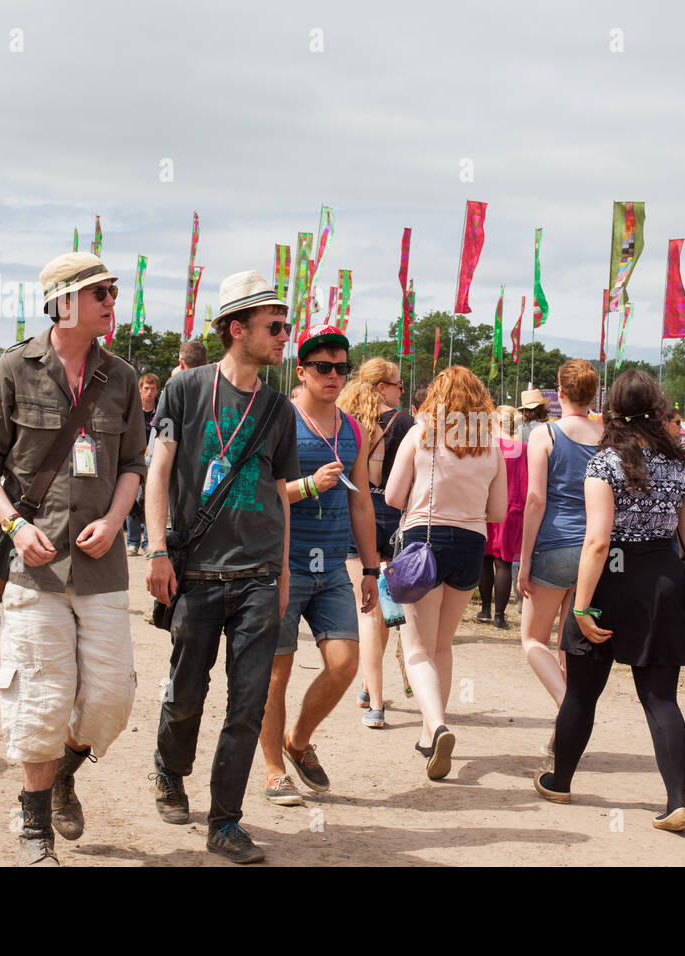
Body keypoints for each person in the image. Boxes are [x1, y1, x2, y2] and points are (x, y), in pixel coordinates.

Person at [0, 251, 147, 866]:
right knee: (40, 699)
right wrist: (15, 526)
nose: (111, 303)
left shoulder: (121, 376)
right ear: (63, 302)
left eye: (113, 292)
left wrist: (116, 518)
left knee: (109, 703)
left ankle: (67, 771)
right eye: (100, 293)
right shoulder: (13, 368)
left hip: (103, 568)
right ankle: (35, 821)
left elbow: (132, 466)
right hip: (32, 566)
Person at [147, 270, 295, 864]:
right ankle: (168, 768)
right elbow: (158, 472)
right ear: (238, 329)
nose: (285, 336)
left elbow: (281, 494)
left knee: (248, 702)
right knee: (186, 693)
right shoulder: (184, 390)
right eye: (274, 327)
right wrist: (156, 549)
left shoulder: (277, 407)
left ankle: (226, 822)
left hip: (258, 575)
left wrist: (282, 576)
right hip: (197, 574)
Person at [533, 369, 685, 832]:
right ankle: (676, 801)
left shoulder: (605, 463)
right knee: (661, 699)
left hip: (610, 580)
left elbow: (598, 541)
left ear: (613, 412)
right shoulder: (683, 464)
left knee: (583, 694)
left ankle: (560, 780)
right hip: (661, 581)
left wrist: (581, 606)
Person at [258, 324, 379, 807]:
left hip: (331, 565)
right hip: (281, 562)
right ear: (303, 371)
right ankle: (272, 771)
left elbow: (362, 504)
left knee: (346, 664)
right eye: (323, 368)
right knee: (275, 674)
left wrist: (370, 570)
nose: (334, 376)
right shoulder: (278, 419)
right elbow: (260, 492)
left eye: (341, 369)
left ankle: (298, 740)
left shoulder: (353, 428)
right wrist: (308, 485)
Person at [385, 366, 507, 780]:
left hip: (423, 539)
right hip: (471, 545)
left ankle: (436, 726)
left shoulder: (419, 435)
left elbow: (392, 496)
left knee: (417, 648)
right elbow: (497, 511)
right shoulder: (490, 446)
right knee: (443, 646)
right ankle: (427, 731)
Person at [517, 359, 602, 718]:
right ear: (593, 394)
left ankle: (567, 708)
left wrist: (523, 560)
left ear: (560, 393)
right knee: (570, 643)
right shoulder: (606, 438)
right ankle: (565, 729)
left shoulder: (545, 434)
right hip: (594, 551)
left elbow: (535, 500)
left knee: (534, 639)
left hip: (554, 545)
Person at [337, 358, 416, 728]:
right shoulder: (403, 423)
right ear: (383, 386)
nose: (401, 391)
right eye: (398, 385)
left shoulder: (346, 420)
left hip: (356, 516)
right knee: (382, 612)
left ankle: (371, 690)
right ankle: (377, 702)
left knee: (368, 611)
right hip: (394, 518)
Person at [478, 405, 526, 628]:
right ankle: (499, 615)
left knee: (485, 559)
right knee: (504, 563)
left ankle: (485, 608)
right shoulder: (523, 449)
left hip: (485, 505)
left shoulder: (486, 446)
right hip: (512, 508)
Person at [125, 372, 160, 555]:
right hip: (133, 459)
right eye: (146, 388)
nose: (149, 392)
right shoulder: (133, 409)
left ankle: (147, 542)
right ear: (140, 389)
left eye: (153, 389)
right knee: (132, 500)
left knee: (150, 501)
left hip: (154, 461)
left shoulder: (161, 410)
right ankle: (132, 541)